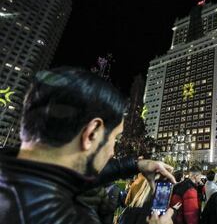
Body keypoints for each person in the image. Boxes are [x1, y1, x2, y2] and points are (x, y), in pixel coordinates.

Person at [0, 68, 176, 224]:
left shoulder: (18, 172)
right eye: (114, 138)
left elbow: (71, 175)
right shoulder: (72, 217)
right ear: (92, 133)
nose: (112, 151)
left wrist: (136, 165)